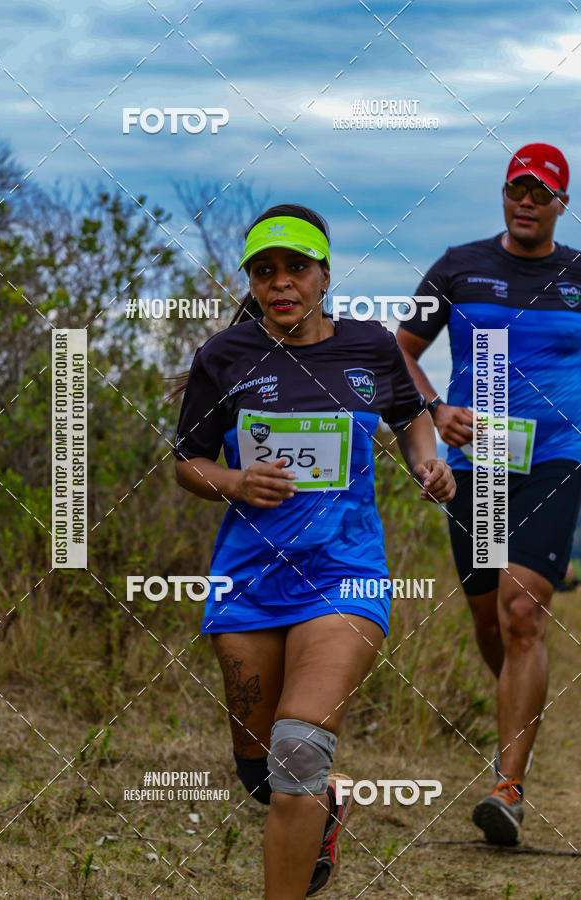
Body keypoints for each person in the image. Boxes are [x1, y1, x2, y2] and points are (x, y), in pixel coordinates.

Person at [173, 203, 455, 898]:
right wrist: (236, 480)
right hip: (248, 580)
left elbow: (410, 415)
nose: (281, 283)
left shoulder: (367, 347)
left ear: (325, 273)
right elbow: (187, 463)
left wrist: (428, 462)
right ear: (252, 281)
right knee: (261, 769)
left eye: (297, 267)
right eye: (265, 270)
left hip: (345, 573)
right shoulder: (224, 357)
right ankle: (323, 808)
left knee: (298, 751)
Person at [396, 143, 581, 846]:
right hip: (480, 461)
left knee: (524, 609)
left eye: (541, 191)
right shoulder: (457, 266)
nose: (526, 200)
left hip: (557, 459)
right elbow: (401, 351)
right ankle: (521, 708)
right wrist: (437, 409)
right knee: (490, 620)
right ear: (504, 195)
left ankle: (509, 783)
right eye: (516, 188)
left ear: (562, 203)